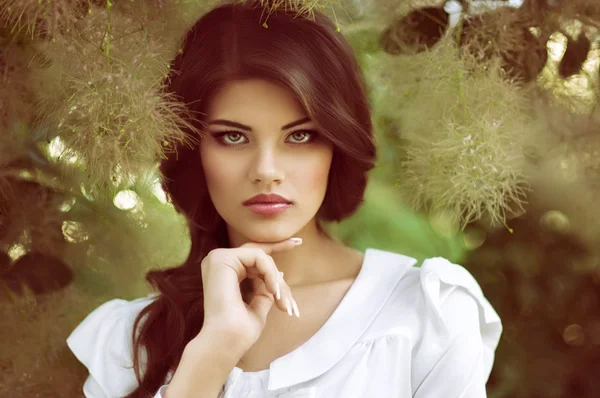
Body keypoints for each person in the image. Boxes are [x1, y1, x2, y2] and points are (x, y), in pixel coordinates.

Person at [66, 0, 503, 397]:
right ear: (192, 150)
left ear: (337, 144)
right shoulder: (128, 342)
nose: (266, 170)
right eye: (233, 136)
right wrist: (211, 354)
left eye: (300, 135)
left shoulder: (429, 314)